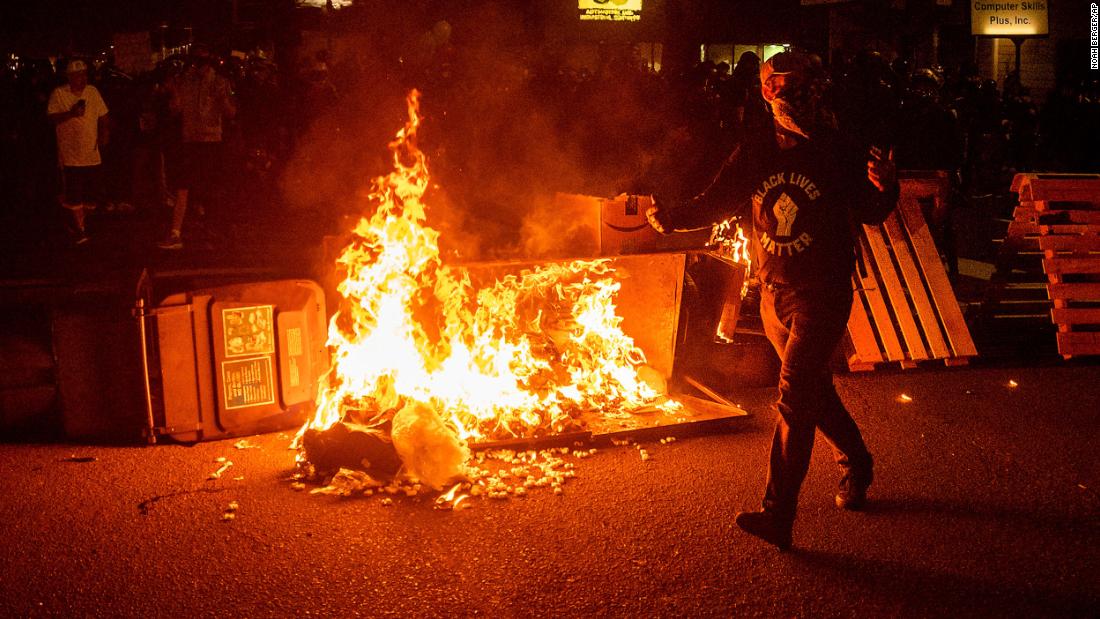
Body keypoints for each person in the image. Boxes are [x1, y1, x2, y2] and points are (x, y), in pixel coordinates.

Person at [645, 51, 899, 550]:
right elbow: (721, 198)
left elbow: (870, 211)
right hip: (773, 291)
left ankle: (777, 514)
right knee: (811, 394)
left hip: (821, 292)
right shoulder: (759, 145)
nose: (791, 95)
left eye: (800, 85)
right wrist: (671, 217)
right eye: (781, 85)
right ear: (766, 92)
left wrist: (885, 188)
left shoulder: (837, 146)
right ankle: (857, 461)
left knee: (792, 396)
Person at [158, 48, 236, 250]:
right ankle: (175, 234)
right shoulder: (187, 82)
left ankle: (213, 232)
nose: (200, 66)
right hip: (190, 141)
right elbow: (176, 109)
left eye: (204, 62)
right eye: (197, 62)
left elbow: (231, 113)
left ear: (210, 62)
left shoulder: (220, 82)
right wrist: (174, 93)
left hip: (211, 142)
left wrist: (222, 99)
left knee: (210, 189)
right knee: (183, 188)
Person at [46, 59, 109, 244]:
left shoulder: (92, 92)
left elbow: (104, 116)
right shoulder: (59, 94)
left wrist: (105, 135)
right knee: (74, 194)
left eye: (84, 74)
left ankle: (80, 221)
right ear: (70, 77)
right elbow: (51, 118)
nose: (82, 78)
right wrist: (71, 113)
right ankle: (80, 229)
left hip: (91, 153)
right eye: (78, 74)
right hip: (71, 155)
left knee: (92, 195)